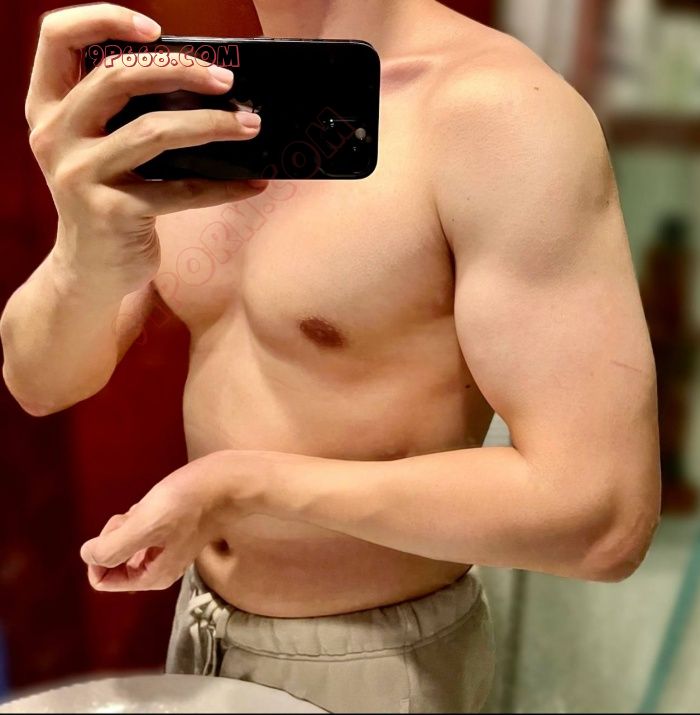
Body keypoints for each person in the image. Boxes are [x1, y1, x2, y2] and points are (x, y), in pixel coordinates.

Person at [1, 0, 661, 711]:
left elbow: (602, 517)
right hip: (200, 624)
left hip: (374, 659)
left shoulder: (495, 112)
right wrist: (82, 253)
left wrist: (239, 486)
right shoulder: (206, 95)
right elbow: (40, 381)